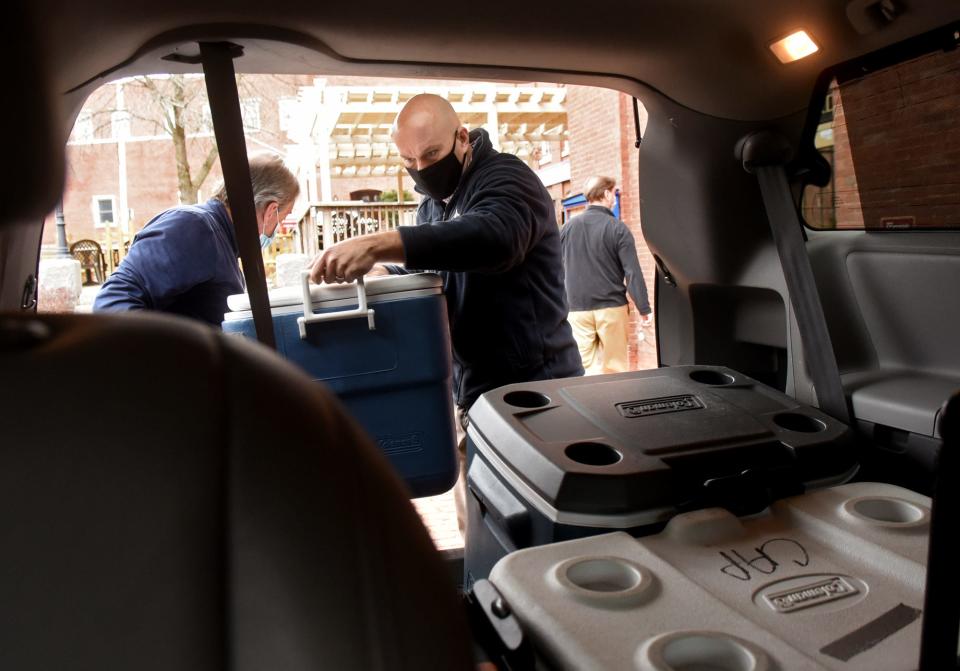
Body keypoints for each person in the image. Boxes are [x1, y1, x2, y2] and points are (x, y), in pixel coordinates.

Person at [308, 93, 583, 529]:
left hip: (534, 395)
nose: (421, 169)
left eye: (431, 154)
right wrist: (386, 269)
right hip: (472, 395)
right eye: (409, 161)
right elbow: (440, 266)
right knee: (478, 529)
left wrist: (382, 241)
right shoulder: (432, 205)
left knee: (530, 533)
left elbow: (494, 237)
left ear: (462, 137)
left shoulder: (507, 178)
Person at [94, 154, 299, 326]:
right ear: (271, 210)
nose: (279, 229)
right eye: (283, 216)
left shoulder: (222, 240)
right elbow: (112, 304)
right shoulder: (194, 227)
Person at [560, 176, 652, 374]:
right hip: (611, 308)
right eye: (614, 193)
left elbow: (556, 267)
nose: (615, 199)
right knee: (615, 369)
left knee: (583, 370)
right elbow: (632, 272)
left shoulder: (567, 228)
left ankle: (588, 404)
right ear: (607, 194)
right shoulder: (617, 228)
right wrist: (644, 308)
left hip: (576, 310)